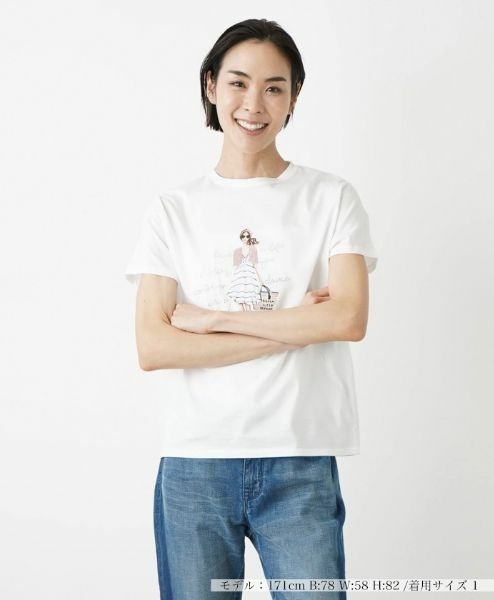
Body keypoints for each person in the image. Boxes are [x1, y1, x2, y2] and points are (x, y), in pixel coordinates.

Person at [125, 18, 378, 600]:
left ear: (294, 98)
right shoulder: (173, 209)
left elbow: (347, 320)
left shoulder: (331, 198)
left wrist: (213, 320)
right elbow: (154, 346)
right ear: (211, 85)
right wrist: (298, 326)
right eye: (238, 83)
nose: (254, 104)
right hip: (196, 462)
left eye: (274, 87)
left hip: (299, 458)